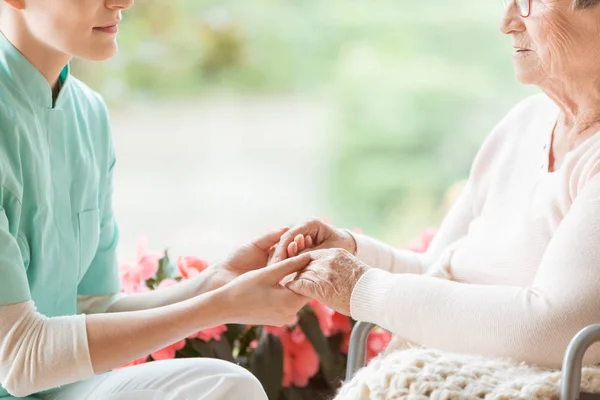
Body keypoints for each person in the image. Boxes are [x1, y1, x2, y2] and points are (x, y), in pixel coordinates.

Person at [0, 0, 317, 398]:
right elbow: (18, 359)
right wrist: (219, 306)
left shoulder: (89, 114)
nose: (123, 2)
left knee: (225, 386)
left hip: (63, 390)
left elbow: (89, 308)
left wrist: (211, 284)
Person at [271, 0, 600, 370]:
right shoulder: (523, 123)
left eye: (528, 2)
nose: (506, 22)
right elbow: (436, 271)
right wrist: (352, 252)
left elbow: (556, 331)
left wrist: (362, 288)